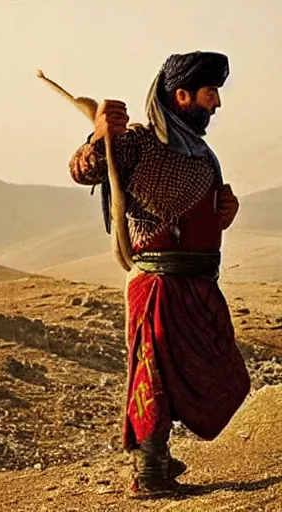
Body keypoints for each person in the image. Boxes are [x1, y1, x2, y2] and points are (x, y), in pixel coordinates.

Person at [68, 51, 250, 496]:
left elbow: (193, 214)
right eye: (211, 94)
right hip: (158, 285)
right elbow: (82, 169)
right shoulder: (138, 142)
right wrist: (98, 136)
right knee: (154, 375)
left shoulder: (200, 152)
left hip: (199, 284)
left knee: (217, 372)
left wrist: (222, 213)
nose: (217, 104)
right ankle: (149, 468)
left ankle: (159, 458)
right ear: (182, 95)